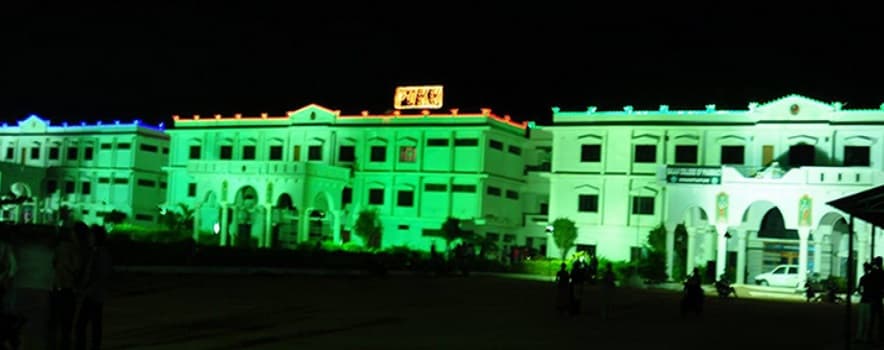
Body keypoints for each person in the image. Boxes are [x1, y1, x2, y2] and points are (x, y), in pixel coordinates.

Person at [50, 222, 87, 350]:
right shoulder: (78, 249)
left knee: (55, 321)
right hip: (69, 288)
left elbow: (53, 264)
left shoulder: (60, 247)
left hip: (58, 287)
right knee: (67, 324)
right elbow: (77, 268)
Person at [76, 225, 112, 350]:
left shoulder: (100, 253)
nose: (89, 238)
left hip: (94, 294)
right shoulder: (95, 252)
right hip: (94, 293)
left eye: (91, 236)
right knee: (93, 323)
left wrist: (87, 287)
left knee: (85, 324)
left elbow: (101, 274)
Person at [857, 262, 874, 343]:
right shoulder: (872, 278)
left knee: (861, 320)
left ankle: (859, 336)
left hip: (863, 300)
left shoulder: (863, 278)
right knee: (868, 320)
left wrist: (862, 293)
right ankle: (865, 337)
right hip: (869, 300)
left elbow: (859, 289)